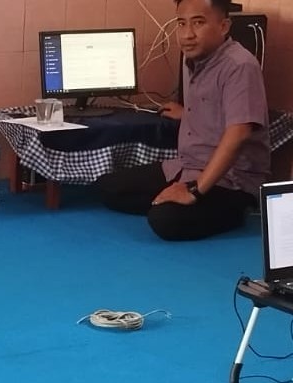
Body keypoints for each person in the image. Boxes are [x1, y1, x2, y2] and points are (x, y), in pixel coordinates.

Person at [97, 0, 270, 241]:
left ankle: (234, 210)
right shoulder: (194, 59)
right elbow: (216, 107)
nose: (187, 34)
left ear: (223, 26)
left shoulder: (239, 66)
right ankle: (177, 199)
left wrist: (194, 190)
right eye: (181, 24)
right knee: (107, 187)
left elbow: (238, 133)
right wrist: (188, 112)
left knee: (164, 221)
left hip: (232, 180)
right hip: (188, 165)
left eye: (198, 23)